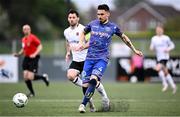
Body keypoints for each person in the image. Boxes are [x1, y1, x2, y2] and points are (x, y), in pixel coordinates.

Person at [76, 4, 143, 113]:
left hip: (102, 58)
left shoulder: (113, 27)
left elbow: (124, 38)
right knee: (85, 85)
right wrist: (81, 43)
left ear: (108, 14)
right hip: (89, 58)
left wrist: (134, 50)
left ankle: (82, 105)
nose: (99, 16)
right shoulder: (92, 24)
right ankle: (104, 98)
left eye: (102, 14)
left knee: (93, 79)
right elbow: (83, 32)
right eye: (98, 14)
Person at [64, 9, 110, 112]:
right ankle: (91, 102)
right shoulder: (66, 31)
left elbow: (91, 41)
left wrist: (82, 46)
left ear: (78, 18)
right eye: (70, 17)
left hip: (87, 59)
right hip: (76, 60)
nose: (71, 19)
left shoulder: (84, 29)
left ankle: (104, 97)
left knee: (91, 83)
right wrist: (68, 52)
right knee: (70, 75)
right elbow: (68, 42)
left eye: (73, 17)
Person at [13, 24, 49, 98]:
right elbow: (24, 49)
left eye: (27, 29)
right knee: (25, 77)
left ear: (30, 30)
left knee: (30, 77)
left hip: (34, 58)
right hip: (26, 58)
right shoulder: (23, 39)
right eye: (24, 29)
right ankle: (32, 93)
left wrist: (35, 54)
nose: (26, 30)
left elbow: (40, 46)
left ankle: (43, 77)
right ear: (23, 31)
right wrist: (18, 54)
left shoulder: (32, 37)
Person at [150, 25, 177, 94]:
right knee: (165, 72)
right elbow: (152, 47)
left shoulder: (166, 38)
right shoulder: (154, 38)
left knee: (157, 68)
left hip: (165, 57)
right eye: (157, 30)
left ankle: (165, 84)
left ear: (162, 30)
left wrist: (168, 49)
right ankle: (173, 86)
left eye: (160, 30)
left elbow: (172, 45)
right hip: (158, 57)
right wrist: (151, 48)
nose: (158, 31)